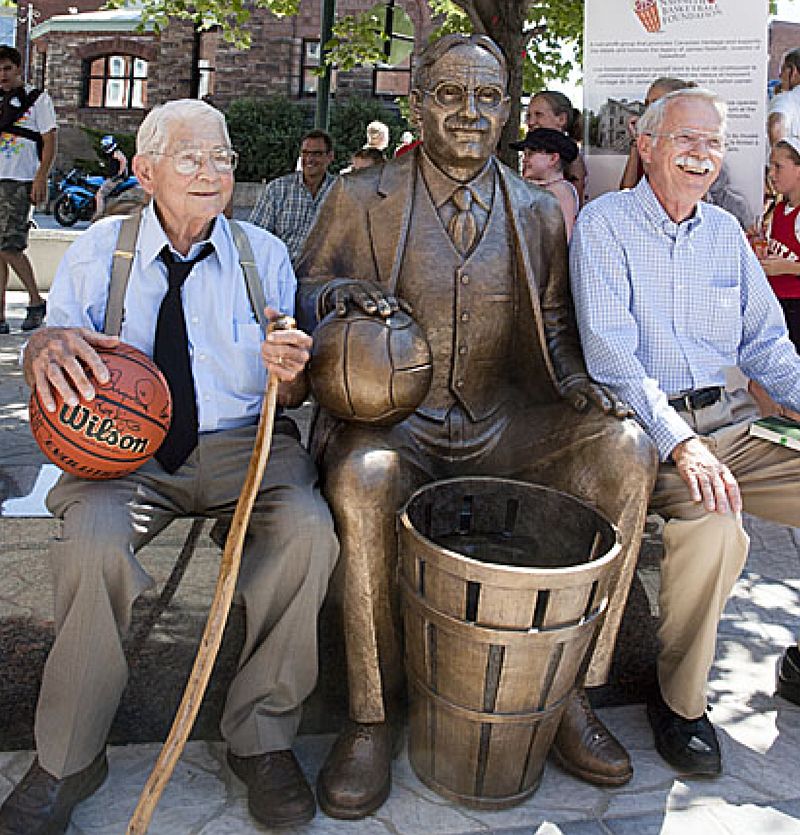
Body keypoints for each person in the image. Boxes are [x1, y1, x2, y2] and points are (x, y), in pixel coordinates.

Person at [297, 34, 658, 819]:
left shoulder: (535, 209)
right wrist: (341, 301)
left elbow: (557, 323)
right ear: (417, 103)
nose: (471, 112)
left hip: (499, 420)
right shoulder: (362, 195)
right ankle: (369, 715)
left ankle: (571, 693)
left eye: (489, 98)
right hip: (398, 422)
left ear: (507, 110)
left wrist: (574, 383)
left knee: (627, 451)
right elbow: (307, 285)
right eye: (452, 94)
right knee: (363, 477)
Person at [0, 99, 338, 834]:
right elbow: (51, 346)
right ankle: (68, 755)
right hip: (125, 455)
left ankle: (262, 739)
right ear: (146, 171)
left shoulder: (263, 253)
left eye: (222, 158)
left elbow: (296, 383)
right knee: (91, 543)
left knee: (310, 530)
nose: (212, 172)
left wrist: (293, 370)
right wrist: (38, 352)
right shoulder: (99, 250)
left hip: (246, 444)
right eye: (190, 158)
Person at [570, 87, 800, 778]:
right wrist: (681, 440)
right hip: (645, 437)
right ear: (646, 144)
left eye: (713, 143)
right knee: (719, 523)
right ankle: (681, 703)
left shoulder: (726, 234)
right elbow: (612, 358)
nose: (702, 155)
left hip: (730, 423)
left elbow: (768, 347)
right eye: (686, 139)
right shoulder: (605, 225)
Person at [0, 45, 56, 335]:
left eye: (7, 68)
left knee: (10, 246)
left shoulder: (37, 100)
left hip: (19, 180)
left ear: (18, 68)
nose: (2, 75)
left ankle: (36, 301)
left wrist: (40, 177)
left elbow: (49, 141)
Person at [249, 129, 336, 265]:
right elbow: (256, 236)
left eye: (317, 154)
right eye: (305, 153)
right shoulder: (278, 189)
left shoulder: (339, 191)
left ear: (330, 156)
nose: (310, 159)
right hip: (281, 269)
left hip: (324, 273)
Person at [759, 136, 800, 349]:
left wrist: (786, 267)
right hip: (777, 303)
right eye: (770, 167)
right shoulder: (779, 209)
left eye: (778, 167)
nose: (771, 175)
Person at [619, 77, 694, 190]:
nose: (649, 109)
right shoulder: (648, 140)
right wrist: (636, 140)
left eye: (655, 103)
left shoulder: (692, 142)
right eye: (647, 103)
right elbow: (626, 191)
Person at [511, 126, 580, 238]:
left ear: (553, 158)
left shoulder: (560, 191)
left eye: (531, 154)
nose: (524, 159)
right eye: (524, 154)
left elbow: (562, 238)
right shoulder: (543, 188)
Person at [526, 90, 586, 205]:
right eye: (528, 116)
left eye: (539, 115)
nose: (531, 122)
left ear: (561, 119)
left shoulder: (571, 158)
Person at [768, 47, 800, 146]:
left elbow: (776, 127)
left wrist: (781, 157)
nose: (780, 75)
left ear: (793, 71)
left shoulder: (787, 99)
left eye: (783, 69)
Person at [92, 134, 128, 220]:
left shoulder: (116, 153)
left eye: (106, 145)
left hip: (115, 179)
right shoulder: (113, 153)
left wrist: (119, 174)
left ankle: (99, 215)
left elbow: (123, 161)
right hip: (113, 178)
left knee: (99, 195)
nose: (105, 147)